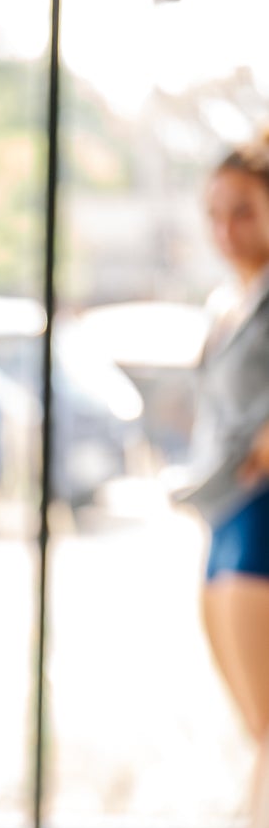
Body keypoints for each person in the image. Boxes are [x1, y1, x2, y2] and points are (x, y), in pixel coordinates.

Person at [186, 130, 269, 737]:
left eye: (243, 211)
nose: (225, 231)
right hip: (225, 514)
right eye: (215, 213)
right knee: (257, 733)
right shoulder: (230, 303)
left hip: (260, 520)